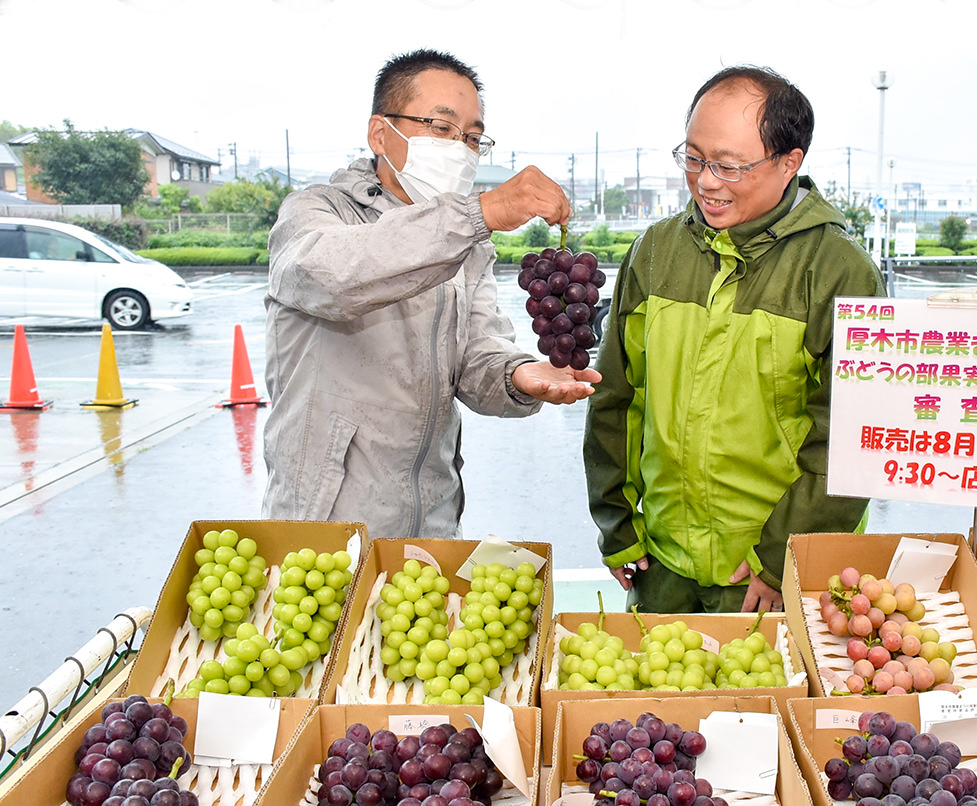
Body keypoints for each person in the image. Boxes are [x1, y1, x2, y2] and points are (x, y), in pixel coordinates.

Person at [584, 65, 886, 614]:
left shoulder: (840, 270)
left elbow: (849, 438)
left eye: (728, 165)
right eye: (694, 158)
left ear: (790, 162)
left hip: (766, 575)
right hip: (660, 563)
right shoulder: (655, 252)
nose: (705, 181)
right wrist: (617, 521)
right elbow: (617, 399)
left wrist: (783, 559)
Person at [263, 48, 599, 540]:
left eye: (473, 138)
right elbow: (331, 277)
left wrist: (518, 374)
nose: (460, 149)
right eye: (441, 129)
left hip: (432, 523)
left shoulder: (464, 243)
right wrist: (479, 214)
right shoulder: (315, 213)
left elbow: (476, 356)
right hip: (324, 528)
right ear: (381, 133)